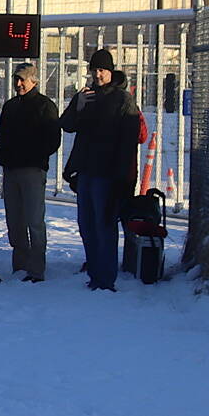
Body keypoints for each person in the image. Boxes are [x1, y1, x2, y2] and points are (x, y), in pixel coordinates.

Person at [59, 48, 142, 292]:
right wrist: (79, 105)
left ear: (111, 71)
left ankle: (106, 278)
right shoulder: (86, 96)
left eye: (102, 70)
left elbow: (128, 140)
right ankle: (95, 274)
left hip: (108, 172)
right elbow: (66, 125)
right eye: (94, 70)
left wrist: (123, 177)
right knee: (86, 224)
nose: (98, 74)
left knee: (104, 224)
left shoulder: (122, 99)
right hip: (86, 169)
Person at [0, 62, 61, 282]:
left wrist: (33, 157)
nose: (19, 83)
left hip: (32, 169)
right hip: (11, 169)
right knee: (15, 221)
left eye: (23, 79)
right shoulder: (11, 106)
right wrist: (0, 154)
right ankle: (20, 264)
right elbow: (2, 134)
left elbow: (53, 140)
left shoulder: (45, 106)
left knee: (34, 220)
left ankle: (36, 268)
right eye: (16, 79)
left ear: (35, 81)